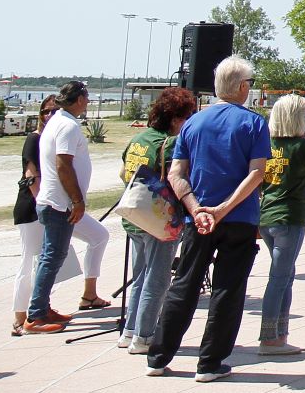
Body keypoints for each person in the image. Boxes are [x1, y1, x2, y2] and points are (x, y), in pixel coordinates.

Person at [146, 56, 271, 382]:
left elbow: (177, 173)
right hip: (238, 217)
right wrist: (223, 208)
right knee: (227, 290)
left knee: (184, 284)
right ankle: (210, 361)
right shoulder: (254, 123)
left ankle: (158, 356)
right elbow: (256, 174)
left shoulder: (193, 123)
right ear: (242, 86)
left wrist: (195, 206)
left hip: (197, 219)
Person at [26, 81, 112, 334]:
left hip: (57, 201)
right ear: (79, 100)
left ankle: (43, 307)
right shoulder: (67, 125)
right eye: (86, 98)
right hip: (59, 203)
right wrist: (77, 200)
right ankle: (36, 315)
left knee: (55, 255)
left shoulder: (58, 121)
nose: (88, 103)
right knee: (52, 258)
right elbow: (63, 164)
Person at [118, 86, 198, 353]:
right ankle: (144, 336)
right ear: (177, 119)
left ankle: (129, 330)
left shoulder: (139, 139)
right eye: (189, 116)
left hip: (134, 217)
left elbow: (123, 173)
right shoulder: (170, 143)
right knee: (158, 278)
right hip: (158, 221)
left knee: (140, 276)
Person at [257, 94, 305, 356]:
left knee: (285, 275)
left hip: (267, 214)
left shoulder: (266, 144)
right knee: (279, 277)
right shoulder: (303, 146)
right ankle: (269, 337)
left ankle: (280, 333)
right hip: (290, 215)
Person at [13, 96, 72, 335]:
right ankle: (21, 317)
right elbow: (31, 175)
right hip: (33, 206)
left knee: (46, 258)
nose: (51, 115)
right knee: (30, 261)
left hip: (50, 203)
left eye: (55, 111)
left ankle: (42, 307)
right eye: (46, 111)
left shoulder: (53, 136)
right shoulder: (34, 138)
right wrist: (41, 203)